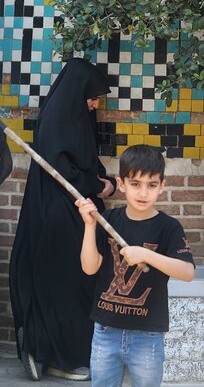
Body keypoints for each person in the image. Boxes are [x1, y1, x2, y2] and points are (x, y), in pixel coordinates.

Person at [9, 58, 115, 381]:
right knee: (67, 286)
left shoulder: (74, 117)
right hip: (58, 216)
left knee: (77, 285)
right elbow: (64, 172)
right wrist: (100, 186)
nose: (95, 104)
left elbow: (86, 160)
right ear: (78, 91)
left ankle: (62, 356)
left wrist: (102, 180)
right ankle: (57, 356)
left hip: (75, 215)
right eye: (93, 97)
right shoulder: (57, 119)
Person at [76, 144, 195, 387]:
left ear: (162, 186)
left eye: (151, 185)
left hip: (147, 335)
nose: (143, 193)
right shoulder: (108, 220)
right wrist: (89, 226)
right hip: (105, 331)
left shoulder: (169, 228)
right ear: (121, 184)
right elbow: (90, 268)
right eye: (135, 184)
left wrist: (146, 255)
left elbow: (187, 272)